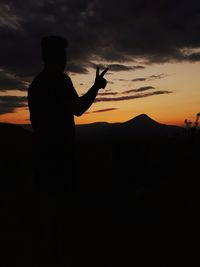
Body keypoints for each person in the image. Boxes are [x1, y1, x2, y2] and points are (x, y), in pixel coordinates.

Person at [28, 35, 109, 192]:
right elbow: (78, 108)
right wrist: (96, 87)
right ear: (58, 57)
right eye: (62, 54)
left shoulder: (35, 85)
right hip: (60, 159)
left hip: (42, 159)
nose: (65, 59)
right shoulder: (60, 80)